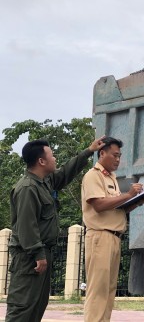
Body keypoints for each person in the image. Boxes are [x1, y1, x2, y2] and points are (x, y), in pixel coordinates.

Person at [6, 136, 106, 322]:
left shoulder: (45, 182)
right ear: (41, 161)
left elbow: (66, 173)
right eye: (52, 156)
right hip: (29, 258)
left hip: (41, 254)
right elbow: (27, 225)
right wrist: (38, 254)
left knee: (36, 307)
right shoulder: (27, 188)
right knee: (22, 308)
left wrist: (89, 151)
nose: (55, 159)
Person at [81, 136, 144, 322]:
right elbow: (98, 205)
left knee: (108, 291)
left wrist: (138, 201)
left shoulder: (111, 178)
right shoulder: (93, 175)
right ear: (102, 153)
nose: (118, 159)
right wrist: (129, 194)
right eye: (114, 155)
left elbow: (117, 208)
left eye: (120, 156)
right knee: (97, 292)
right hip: (100, 236)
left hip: (113, 237)